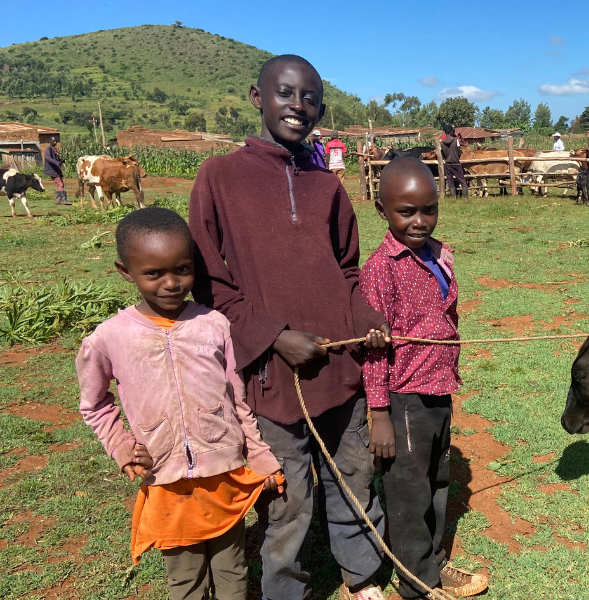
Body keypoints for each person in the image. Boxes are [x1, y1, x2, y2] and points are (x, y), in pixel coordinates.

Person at [188, 54, 391, 600]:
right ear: (258, 98)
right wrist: (275, 337)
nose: (297, 107)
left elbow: (346, 271)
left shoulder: (327, 186)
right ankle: (287, 590)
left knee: (354, 478)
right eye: (285, 93)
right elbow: (211, 283)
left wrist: (368, 320)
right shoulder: (220, 178)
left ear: (320, 108)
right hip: (271, 377)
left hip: (340, 371)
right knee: (288, 499)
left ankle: (363, 577)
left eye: (309, 98)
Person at [77, 207, 285, 600]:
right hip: (166, 481)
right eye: (154, 274)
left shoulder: (215, 324)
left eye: (182, 270)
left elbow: (236, 397)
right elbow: (94, 404)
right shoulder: (109, 338)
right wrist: (122, 447)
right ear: (126, 272)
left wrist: (259, 455)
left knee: (233, 572)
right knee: (185, 579)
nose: (171, 283)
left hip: (223, 476)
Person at [360, 157, 490, 599]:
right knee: (408, 494)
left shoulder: (441, 253)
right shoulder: (380, 269)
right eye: (406, 211)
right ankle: (416, 585)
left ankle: (433, 565)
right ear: (382, 211)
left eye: (428, 209)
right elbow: (373, 350)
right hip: (404, 397)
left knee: (437, 481)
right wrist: (379, 411)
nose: (419, 221)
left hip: (439, 389)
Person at [440, 124, 467, 198]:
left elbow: (442, 154)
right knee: (462, 180)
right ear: (451, 131)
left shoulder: (441, 143)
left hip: (447, 164)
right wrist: (457, 157)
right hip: (456, 163)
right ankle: (466, 197)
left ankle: (453, 197)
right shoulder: (456, 140)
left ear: (445, 132)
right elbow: (459, 151)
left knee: (450, 181)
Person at [43, 141, 70, 205]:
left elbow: (56, 158)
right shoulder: (48, 148)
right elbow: (48, 158)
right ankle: (61, 200)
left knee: (61, 184)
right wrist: (56, 162)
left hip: (56, 169)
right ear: (51, 142)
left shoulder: (54, 149)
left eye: (56, 142)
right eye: (54, 142)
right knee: (60, 184)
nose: (55, 143)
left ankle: (60, 199)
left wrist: (61, 160)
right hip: (51, 169)